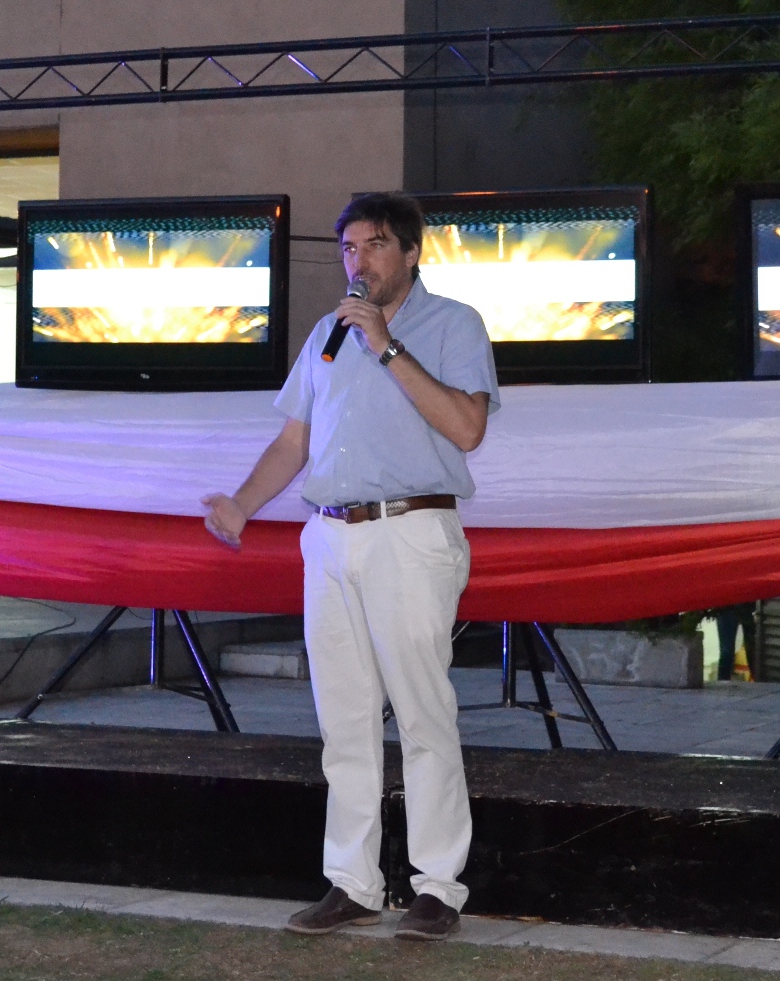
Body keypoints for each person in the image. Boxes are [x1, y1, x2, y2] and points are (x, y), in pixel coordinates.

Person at [201, 192, 498, 942]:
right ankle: (353, 883)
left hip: (411, 531)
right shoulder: (326, 334)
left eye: (373, 245)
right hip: (330, 536)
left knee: (423, 713)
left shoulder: (454, 323)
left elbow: (467, 428)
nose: (356, 261)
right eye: (347, 248)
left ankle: (437, 887)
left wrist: (387, 347)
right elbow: (294, 442)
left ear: (410, 253)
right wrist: (241, 505)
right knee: (343, 720)